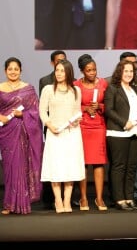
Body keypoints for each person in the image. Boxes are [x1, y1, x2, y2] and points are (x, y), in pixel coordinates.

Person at [39, 59, 85, 213]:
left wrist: (77, 119)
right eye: (57, 70)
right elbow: (42, 111)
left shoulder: (76, 90)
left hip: (72, 134)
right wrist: (50, 125)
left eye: (62, 71)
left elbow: (77, 111)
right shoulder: (48, 89)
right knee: (56, 167)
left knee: (70, 167)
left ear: (68, 72)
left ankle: (67, 201)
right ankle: (58, 200)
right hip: (54, 133)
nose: (58, 73)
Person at [106, 52, 137, 207]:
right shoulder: (113, 88)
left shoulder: (134, 90)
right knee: (119, 167)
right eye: (126, 71)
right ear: (120, 72)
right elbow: (109, 110)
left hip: (135, 133)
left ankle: (129, 197)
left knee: (132, 167)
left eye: (131, 71)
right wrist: (125, 123)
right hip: (118, 133)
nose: (129, 74)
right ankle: (119, 199)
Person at [0, 57, 43, 214]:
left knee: (21, 166)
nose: (13, 71)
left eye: (16, 69)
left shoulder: (28, 89)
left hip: (23, 131)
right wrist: (1, 117)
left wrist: (22, 114)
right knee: (9, 168)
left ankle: (22, 204)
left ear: (21, 70)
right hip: (6, 133)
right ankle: (9, 204)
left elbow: (36, 112)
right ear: (5, 71)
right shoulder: (0, 88)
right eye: (10, 69)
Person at [74, 54, 108, 211]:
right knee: (82, 163)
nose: (92, 73)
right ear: (82, 71)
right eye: (88, 70)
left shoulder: (103, 84)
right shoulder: (76, 86)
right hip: (82, 126)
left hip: (98, 126)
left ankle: (99, 198)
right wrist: (84, 108)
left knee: (98, 162)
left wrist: (100, 107)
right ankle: (83, 198)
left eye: (94, 69)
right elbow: (70, 107)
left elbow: (112, 105)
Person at [39, 50, 66, 209]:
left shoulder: (73, 82)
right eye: (58, 61)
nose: (61, 63)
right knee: (52, 162)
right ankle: (50, 198)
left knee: (67, 162)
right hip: (52, 127)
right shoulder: (45, 81)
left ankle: (67, 198)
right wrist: (50, 124)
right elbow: (44, 106)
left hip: (69, 129)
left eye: (64, 60)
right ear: (52, 63)